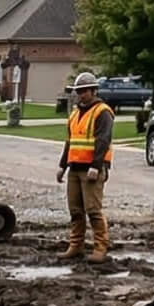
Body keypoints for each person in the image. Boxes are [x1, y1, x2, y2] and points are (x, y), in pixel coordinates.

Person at [57, 72, 114, 260]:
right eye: (78, 91)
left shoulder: (102, 112)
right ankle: (76, 245)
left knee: (93, 210)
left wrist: (96, 166)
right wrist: (62, 165)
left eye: (84, 91)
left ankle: (100, 248)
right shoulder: (74, 114)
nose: (81, 94)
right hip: (75, 168)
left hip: (92, 169)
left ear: (94, 90)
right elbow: (70, 141)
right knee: (75, 211)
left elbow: (103, 140)